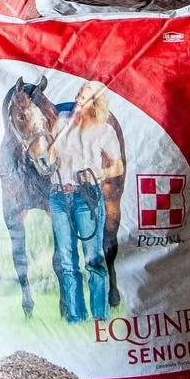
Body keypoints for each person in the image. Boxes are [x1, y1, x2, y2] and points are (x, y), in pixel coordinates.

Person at [47, 82, 126, 323]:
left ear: (96, 102)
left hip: (86, 196)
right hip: (59, 195)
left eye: (87, 94)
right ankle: (75, 318)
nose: (81, 95)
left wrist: (97, 174)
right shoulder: (61, 121)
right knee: (67, 259)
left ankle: (99, 318)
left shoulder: (104, 130)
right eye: (81, 91)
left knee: (93, 258)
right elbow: (50, 154)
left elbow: (118, 166)